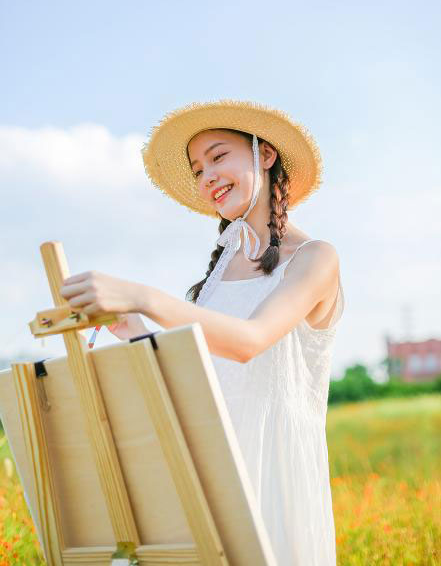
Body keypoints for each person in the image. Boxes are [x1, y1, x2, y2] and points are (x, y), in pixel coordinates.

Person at [60, 100, 345, 565]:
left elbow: (248, 342)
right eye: (197, 169)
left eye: (218, 157)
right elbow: (199, 377)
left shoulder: (316, 258)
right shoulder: (218, 272)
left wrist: (144, 297)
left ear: (265, 154)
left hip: (271, 477)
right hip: (209, 473)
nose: (206, 176)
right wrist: (132, 329)